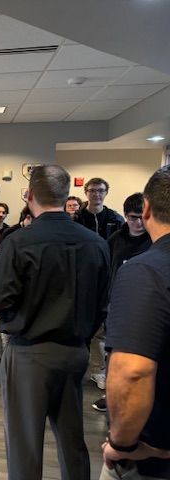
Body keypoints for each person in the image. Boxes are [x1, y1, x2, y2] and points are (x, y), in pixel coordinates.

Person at [0, 165, 110, 480]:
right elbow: (102, 305)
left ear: (29, 196)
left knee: (25, 445)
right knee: (72, 439)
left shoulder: (19, 241)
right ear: (68, 197)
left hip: (29, 355)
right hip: (75, 353)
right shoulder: (96, 243)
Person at [100, 167, 170, 480]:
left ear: (145, 207)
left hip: (151, 458)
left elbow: (132, 371)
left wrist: (122, 444)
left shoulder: (145, 271)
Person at [92, 192, 153, 412]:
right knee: (114, 355)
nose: (137, 223)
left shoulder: (156, 241)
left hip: (147, 308)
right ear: (125, 215)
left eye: (141, 217)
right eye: (132, 217)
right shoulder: (115, 241)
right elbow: (104, 272)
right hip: (116, 306)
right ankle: (112, 396)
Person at [77, 178, 124, 392]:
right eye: (92, 190)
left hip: (107, 279)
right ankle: (78, 366)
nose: (96, 194)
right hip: (82, 279)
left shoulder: (115, 218)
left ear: (106, 192)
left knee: (101, 328)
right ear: (86, 192)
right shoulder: (77, 218)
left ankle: (98, 369)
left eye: (101, 191)